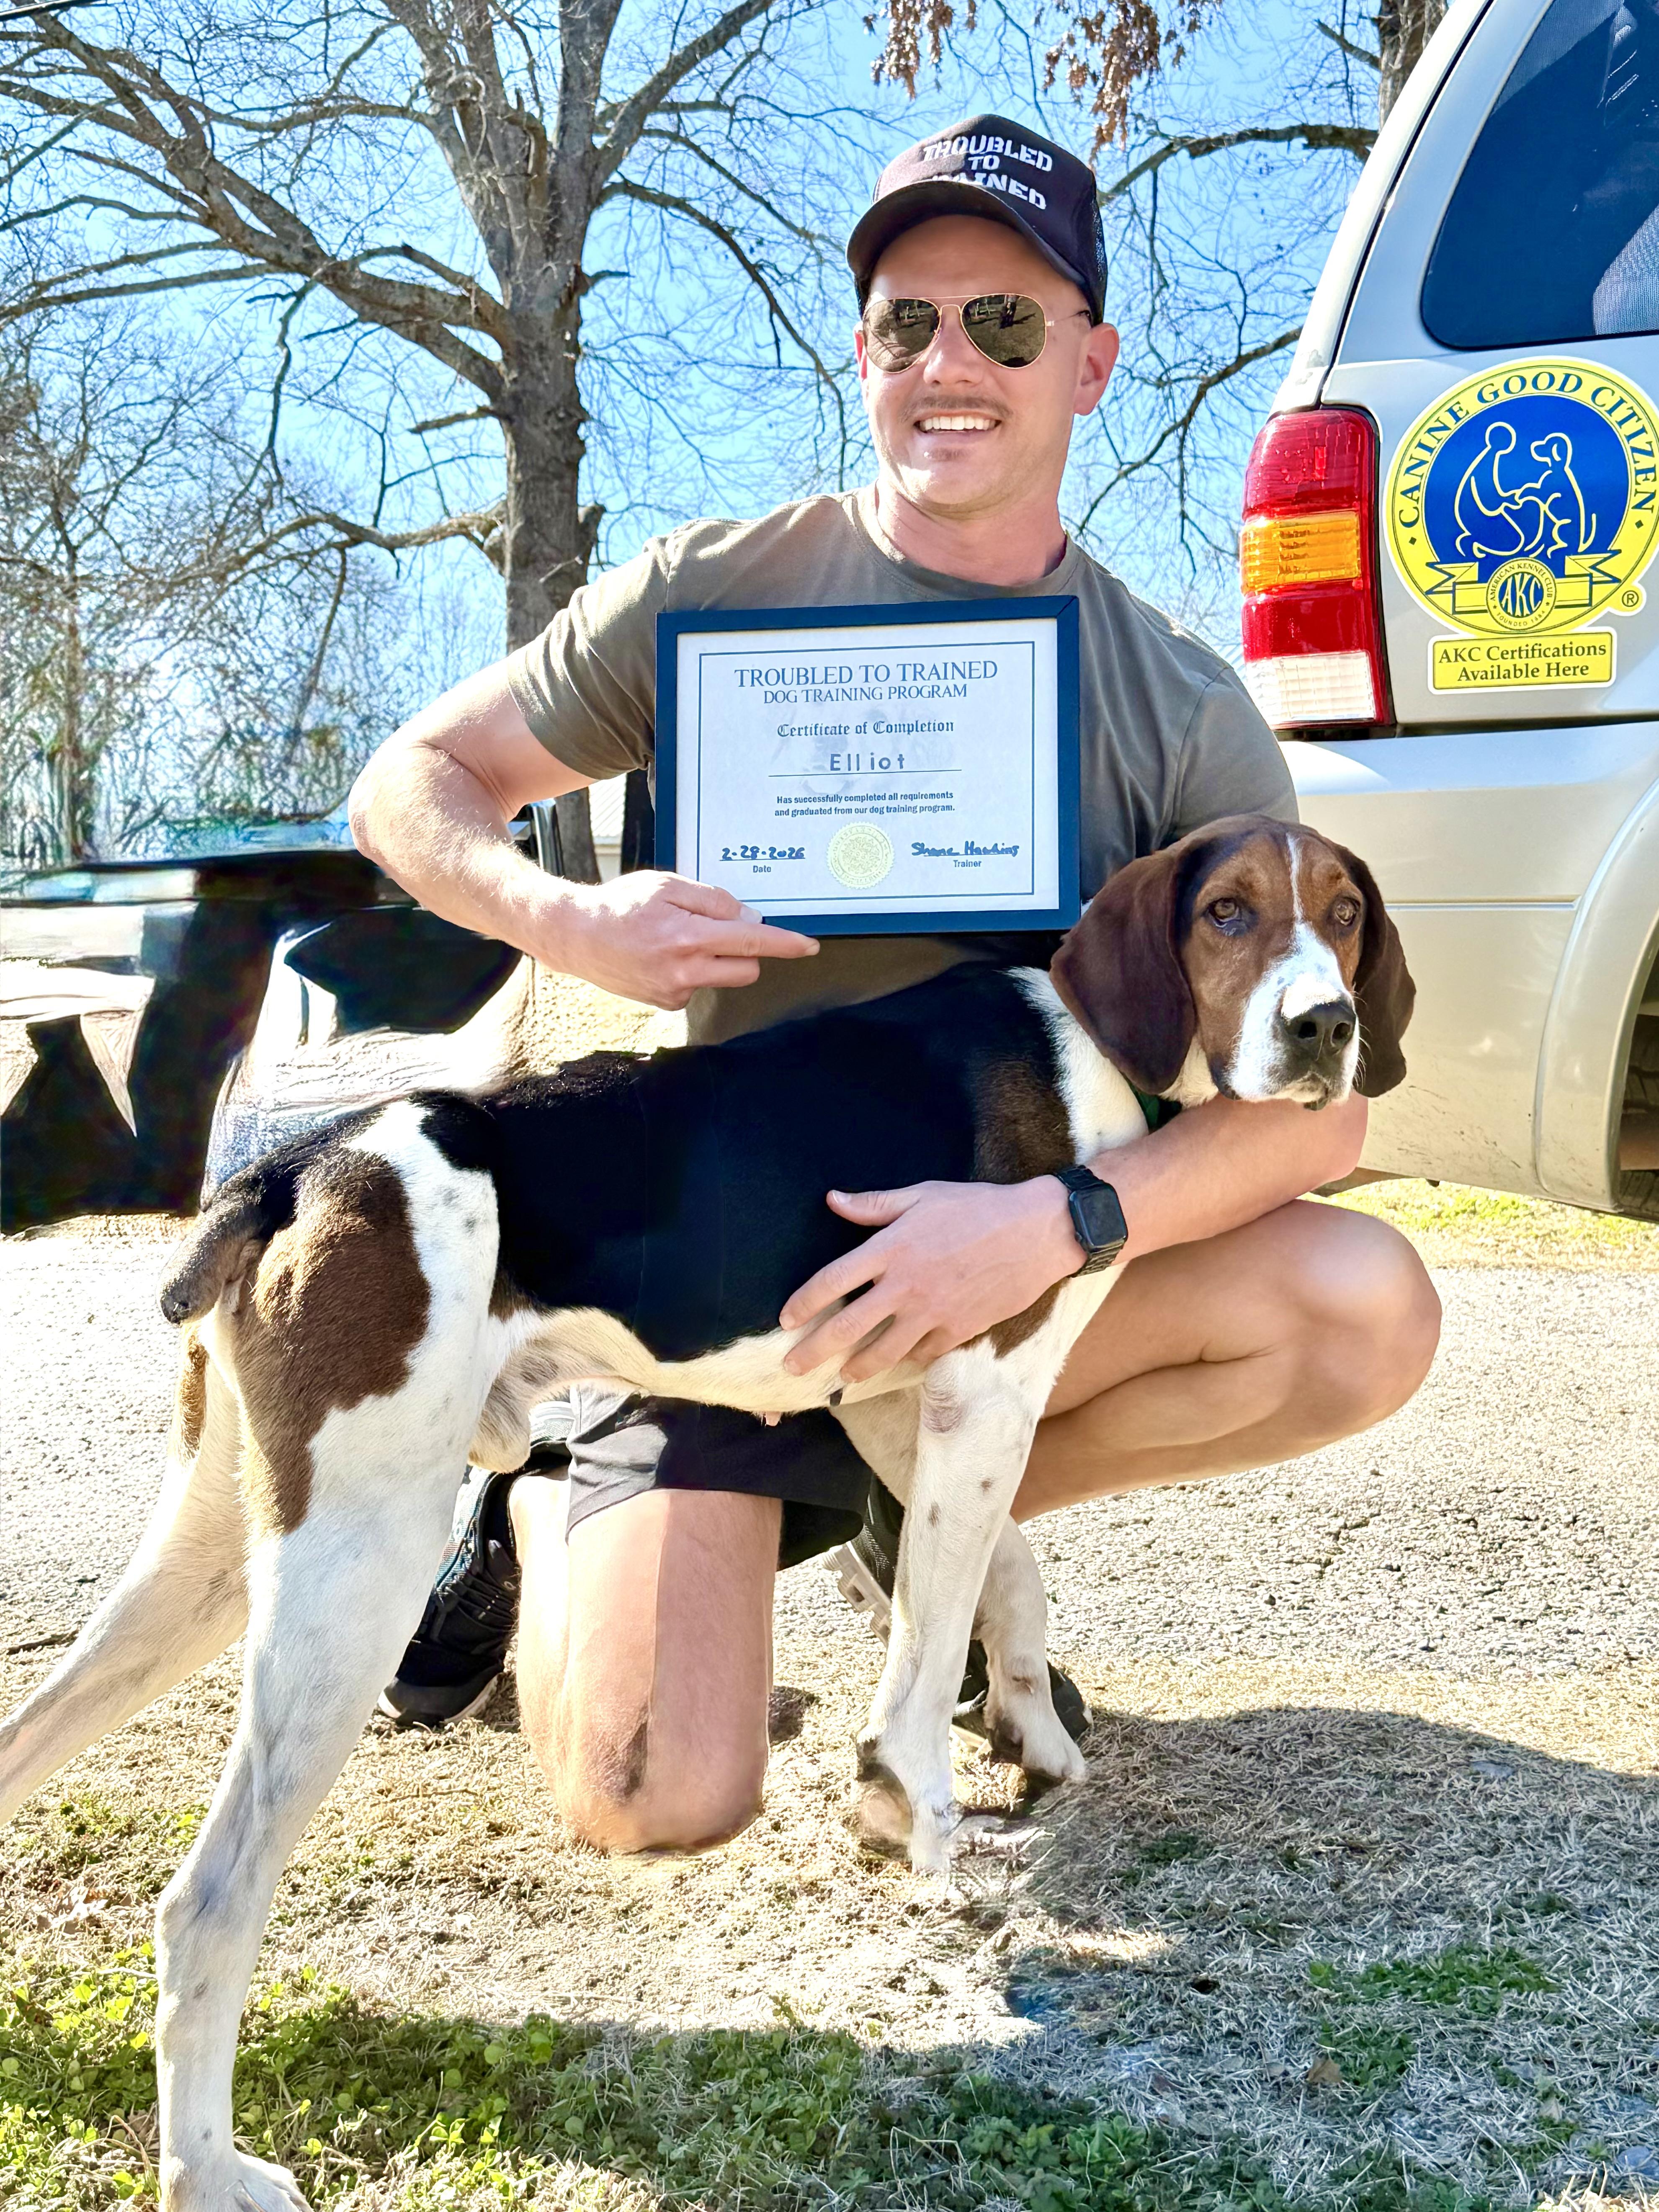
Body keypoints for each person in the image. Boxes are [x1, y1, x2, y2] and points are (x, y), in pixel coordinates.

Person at [348, 113, 1441, 1853]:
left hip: (978, 1280)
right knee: (655, 1794)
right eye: (905, 324)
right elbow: (409, 787)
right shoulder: (713, 592)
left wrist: (1055, 1226)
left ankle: (906, 1513)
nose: (952, 364)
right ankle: (545, 1473)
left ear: (1085, 362)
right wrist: (571, 923)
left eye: (1004, 325)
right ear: (861, 354)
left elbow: (1308, 1115)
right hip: (707, 1278)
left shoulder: (1181, 710)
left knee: (1361, 1307)